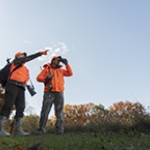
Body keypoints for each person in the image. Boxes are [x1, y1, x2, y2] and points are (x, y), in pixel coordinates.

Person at [0, 50, 48, 136]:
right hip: (12, 85)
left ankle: (18, 131)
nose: (23, 57)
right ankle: (1, 130)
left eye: (23, 55)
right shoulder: (15, 62)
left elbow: (26, 80)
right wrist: (40, 53)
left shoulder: (26, 69)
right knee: (8, 106)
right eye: (21, 55)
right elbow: (28, 58)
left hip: (22, 88)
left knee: (21, 107)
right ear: (17, 57)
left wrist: (28, 87)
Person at [36, 56, 73, 135]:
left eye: (59, 61)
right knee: (45, 111)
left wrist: (66, 64)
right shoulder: (46, 70)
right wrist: (46, 78)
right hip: (48, 92)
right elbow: (38, 78)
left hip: (59, 93)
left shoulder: (61, 70)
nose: (58, 62)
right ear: (52, 61)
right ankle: (41, 130)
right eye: (57, 60)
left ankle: (59, 130)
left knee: (59, 112)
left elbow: (70, 73)